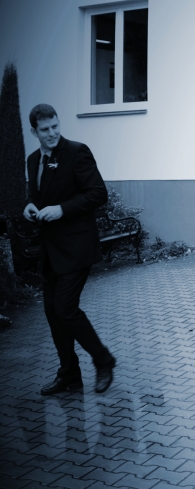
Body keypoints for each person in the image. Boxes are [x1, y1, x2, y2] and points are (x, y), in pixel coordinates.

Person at [24, 104, 117, 396]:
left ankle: (103, 360)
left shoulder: (77, 152)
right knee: (53, 313)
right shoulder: (33, 160)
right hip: (50, 251)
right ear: (34, 132)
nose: (52, 133)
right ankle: (69, 375)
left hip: (77, 247)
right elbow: (37, 195)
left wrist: (62, 209)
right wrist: (30, 206)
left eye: (55, 126)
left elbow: (98, 193)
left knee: (65, 309)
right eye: (45, 129)